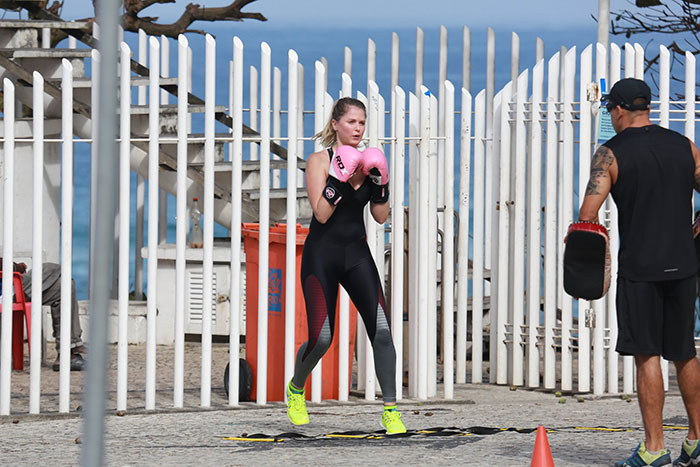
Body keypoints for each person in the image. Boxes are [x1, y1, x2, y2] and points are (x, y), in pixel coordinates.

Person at [578, 78, 700, 467]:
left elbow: (587, 217)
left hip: (641, 269)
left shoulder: (610, 155)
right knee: (685, 353)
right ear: (646, 107)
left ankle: (654, 448)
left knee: (647, 355)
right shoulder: (684, 146)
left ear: (616, 109)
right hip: (684, 265)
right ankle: (697, 441)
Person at [285, 97, 406, 434]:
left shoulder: (369, 164)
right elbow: (321, 214)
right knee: (322, 338)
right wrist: (339, 177)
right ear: (336, 123)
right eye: (352, 122)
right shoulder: (319, 161)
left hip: (356, 255)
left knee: (381, 331)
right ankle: (296, 388)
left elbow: (380, 217)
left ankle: (391, 410)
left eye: (362, 123)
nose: (358, 129)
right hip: (321, 256)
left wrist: (380, 184)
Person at [3, 260, 86, 371]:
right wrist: (16, 267)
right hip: (8, 288)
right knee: (50, 267)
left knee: (65, 287)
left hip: (12, 284)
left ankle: (68, 355)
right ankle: (72, 345)